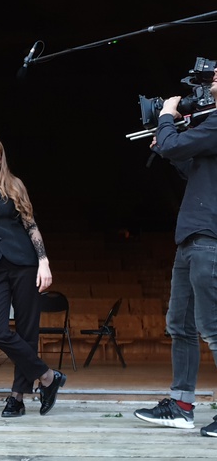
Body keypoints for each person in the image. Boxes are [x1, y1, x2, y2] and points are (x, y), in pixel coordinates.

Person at [134, 68, 217, 437]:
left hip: (209, 239)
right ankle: (181, 406)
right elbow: (191, 168)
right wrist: (167, 145)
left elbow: (174, 144)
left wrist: (167, 116)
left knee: (213, 328)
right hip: (192, 237)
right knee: (179, 325)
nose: (212, 86)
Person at [0, 133, 65, 417]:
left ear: (0, 157)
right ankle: (47, 376)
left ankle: (17, 398)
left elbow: (31, 224)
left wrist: (43, 261)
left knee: (27, 330)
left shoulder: (13, 184)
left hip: (23, 264)